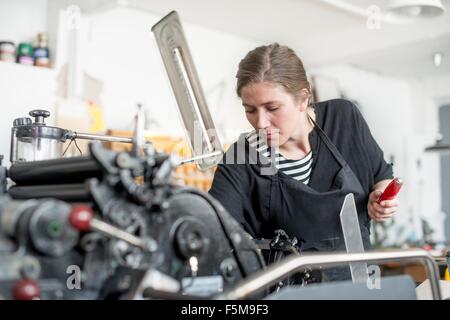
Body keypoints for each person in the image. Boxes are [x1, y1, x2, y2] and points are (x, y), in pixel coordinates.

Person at [208, 43, 400, 281]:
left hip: (361, 285)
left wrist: (381, 199)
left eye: (272, 108)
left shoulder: (344, 119)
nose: (261, 123)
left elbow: (381, 174)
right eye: (250, 110)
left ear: (302, 99)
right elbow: (212, 228)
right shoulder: (242, 157)